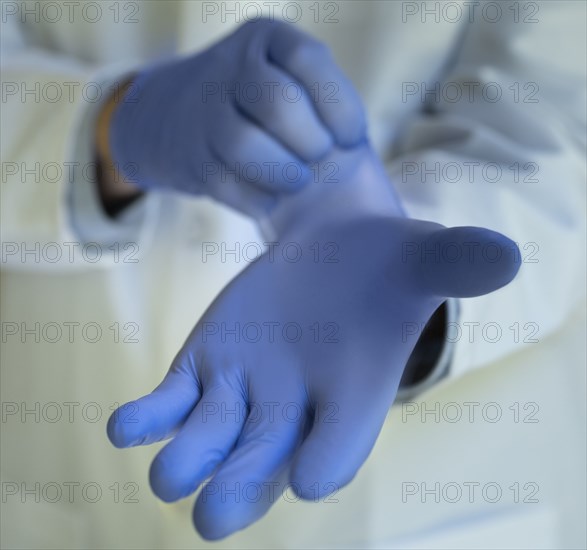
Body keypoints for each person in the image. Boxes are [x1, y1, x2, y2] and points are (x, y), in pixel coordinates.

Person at [1, 1, 585, 548]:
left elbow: (553, 121)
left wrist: (395, 281)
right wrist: (106, 125)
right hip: (67, 459)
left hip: (421, 500)